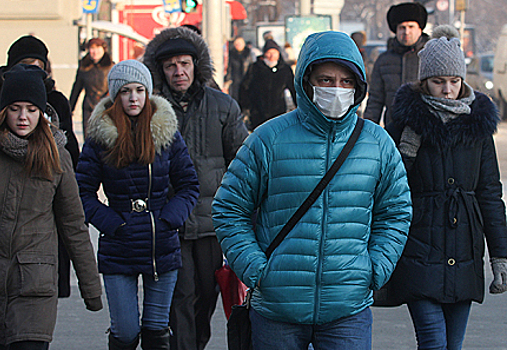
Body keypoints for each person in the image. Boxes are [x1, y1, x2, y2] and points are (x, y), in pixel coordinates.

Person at [212, 30, 412, 349]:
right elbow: (228, 209)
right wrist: (257, 269)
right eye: (325, 79)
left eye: (346, 82)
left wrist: (375, 268)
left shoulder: (377, 144)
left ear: (358, 86)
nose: (336, 89)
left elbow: (396, 212)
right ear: (307, 82)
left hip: (348, 309)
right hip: (277, 309)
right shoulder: (268, 139)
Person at [386, 25, 507, 350]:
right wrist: (406, 151)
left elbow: (490, 193)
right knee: (434, 342)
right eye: (439, 82)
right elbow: (389, 189)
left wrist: (500, 255)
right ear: (424, 81)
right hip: (419, 246)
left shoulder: (478, 125)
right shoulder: (406, 122)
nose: (447, 89)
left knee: (453, 345)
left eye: (454, 81)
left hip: (464, 249)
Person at [0, 64, 103, 350]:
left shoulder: (57, 158)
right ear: (2, 110)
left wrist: (91, 288)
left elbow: (73, 226)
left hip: (33, 287)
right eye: (15, 108)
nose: (22, 117)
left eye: (31, 109)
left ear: (42, 112)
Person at [76, 59, 199, 350]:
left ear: (148, 93)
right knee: (126, 332)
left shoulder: (165, 133)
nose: (133, 98)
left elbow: (188, 184)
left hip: (161, 246)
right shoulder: (100, 138)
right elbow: (81, 192)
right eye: (126, 91)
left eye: (140, 90)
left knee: (157, 333)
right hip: (119, 246)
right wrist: (112, 223)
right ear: (115, 96)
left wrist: (169, 219)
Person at [142, 26, 249, 350]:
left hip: (212, 224)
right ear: (160, 70)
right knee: (181, 297)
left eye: (184, 64)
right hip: (170, 222)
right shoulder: (150, 109)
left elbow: (243, 162)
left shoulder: (223, 106)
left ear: (196, 65)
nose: (178, 72)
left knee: (206, 297)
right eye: (171, 65)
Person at [0, 34, 80, 298]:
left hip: (39, 210)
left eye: (38, 65)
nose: (23, 116)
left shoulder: (55, 99)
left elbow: (71, 155)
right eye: (25, 63)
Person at [363, 2, 429, 126]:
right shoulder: (384, 61)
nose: (406, 32)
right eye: (402, 27)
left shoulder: (431, 57)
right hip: (394, 130)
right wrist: (367, 133)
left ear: (420, 28)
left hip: (426, 131)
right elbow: (375, 102)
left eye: (411, 26)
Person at [239, 39, 296, 131]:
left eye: (274, 52)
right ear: (264, 54)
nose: (272, 56)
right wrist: (245, 106)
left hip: (278, 112)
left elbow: (294, 88)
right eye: (269, 53)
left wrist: (300, 106)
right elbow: (244, 87)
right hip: (258, 111)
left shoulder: (284, 69)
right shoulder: (255, 68)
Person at [69, 37, 114, 139]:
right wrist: (70, 108)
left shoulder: (111, 66)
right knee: (89, 139)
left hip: (106, 108)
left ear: (103, 49)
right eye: (92, 48)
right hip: (89, 107)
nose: (95, 52)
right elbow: (77, 88)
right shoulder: (84, 67)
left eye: (98, 48)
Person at [224, 36, 253, 101]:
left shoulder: (249, 54)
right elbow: (229, 68)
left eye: (240, 43)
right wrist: (227, 80)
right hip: (235, 81)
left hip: (247, 81)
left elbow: (252, 67)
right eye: (236, 43)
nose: (238, 45)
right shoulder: (231, 54)